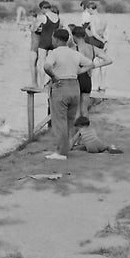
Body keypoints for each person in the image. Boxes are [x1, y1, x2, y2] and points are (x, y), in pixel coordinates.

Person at [42, 28, 105, 161]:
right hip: (74, 87)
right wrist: (78, 71)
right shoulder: (74, 53)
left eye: (53, 38)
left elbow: (47, 67)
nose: (52, 40)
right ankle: (66, 149)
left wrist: (55, 77)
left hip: (61, 87)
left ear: (57, 39)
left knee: (59, 121)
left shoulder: (54, 53)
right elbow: (91, 64)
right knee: (69, 121)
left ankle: (60, 152)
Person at [30, 1, 62, 85]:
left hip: (44, 41)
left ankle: (41, 84)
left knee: (42, 63)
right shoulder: (57, 17)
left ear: (43, 8)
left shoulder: (44, 17)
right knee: (51, 63)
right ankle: (51, 83)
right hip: (53, 42)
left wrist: (35, 27)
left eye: (41, 10)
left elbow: (35, 28)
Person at [81, 0, 110, 92]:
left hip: (95, 41)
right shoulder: (103, 18)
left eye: (88, 10)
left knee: (96, 63)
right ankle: (103, 84)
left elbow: (94, 33)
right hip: (103, 41)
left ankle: (95, 85)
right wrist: (105, 41)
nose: (87, 12)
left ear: (90, 9)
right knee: (104, 63)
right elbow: (105, 32)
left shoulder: (92, 18)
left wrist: (100, 40)